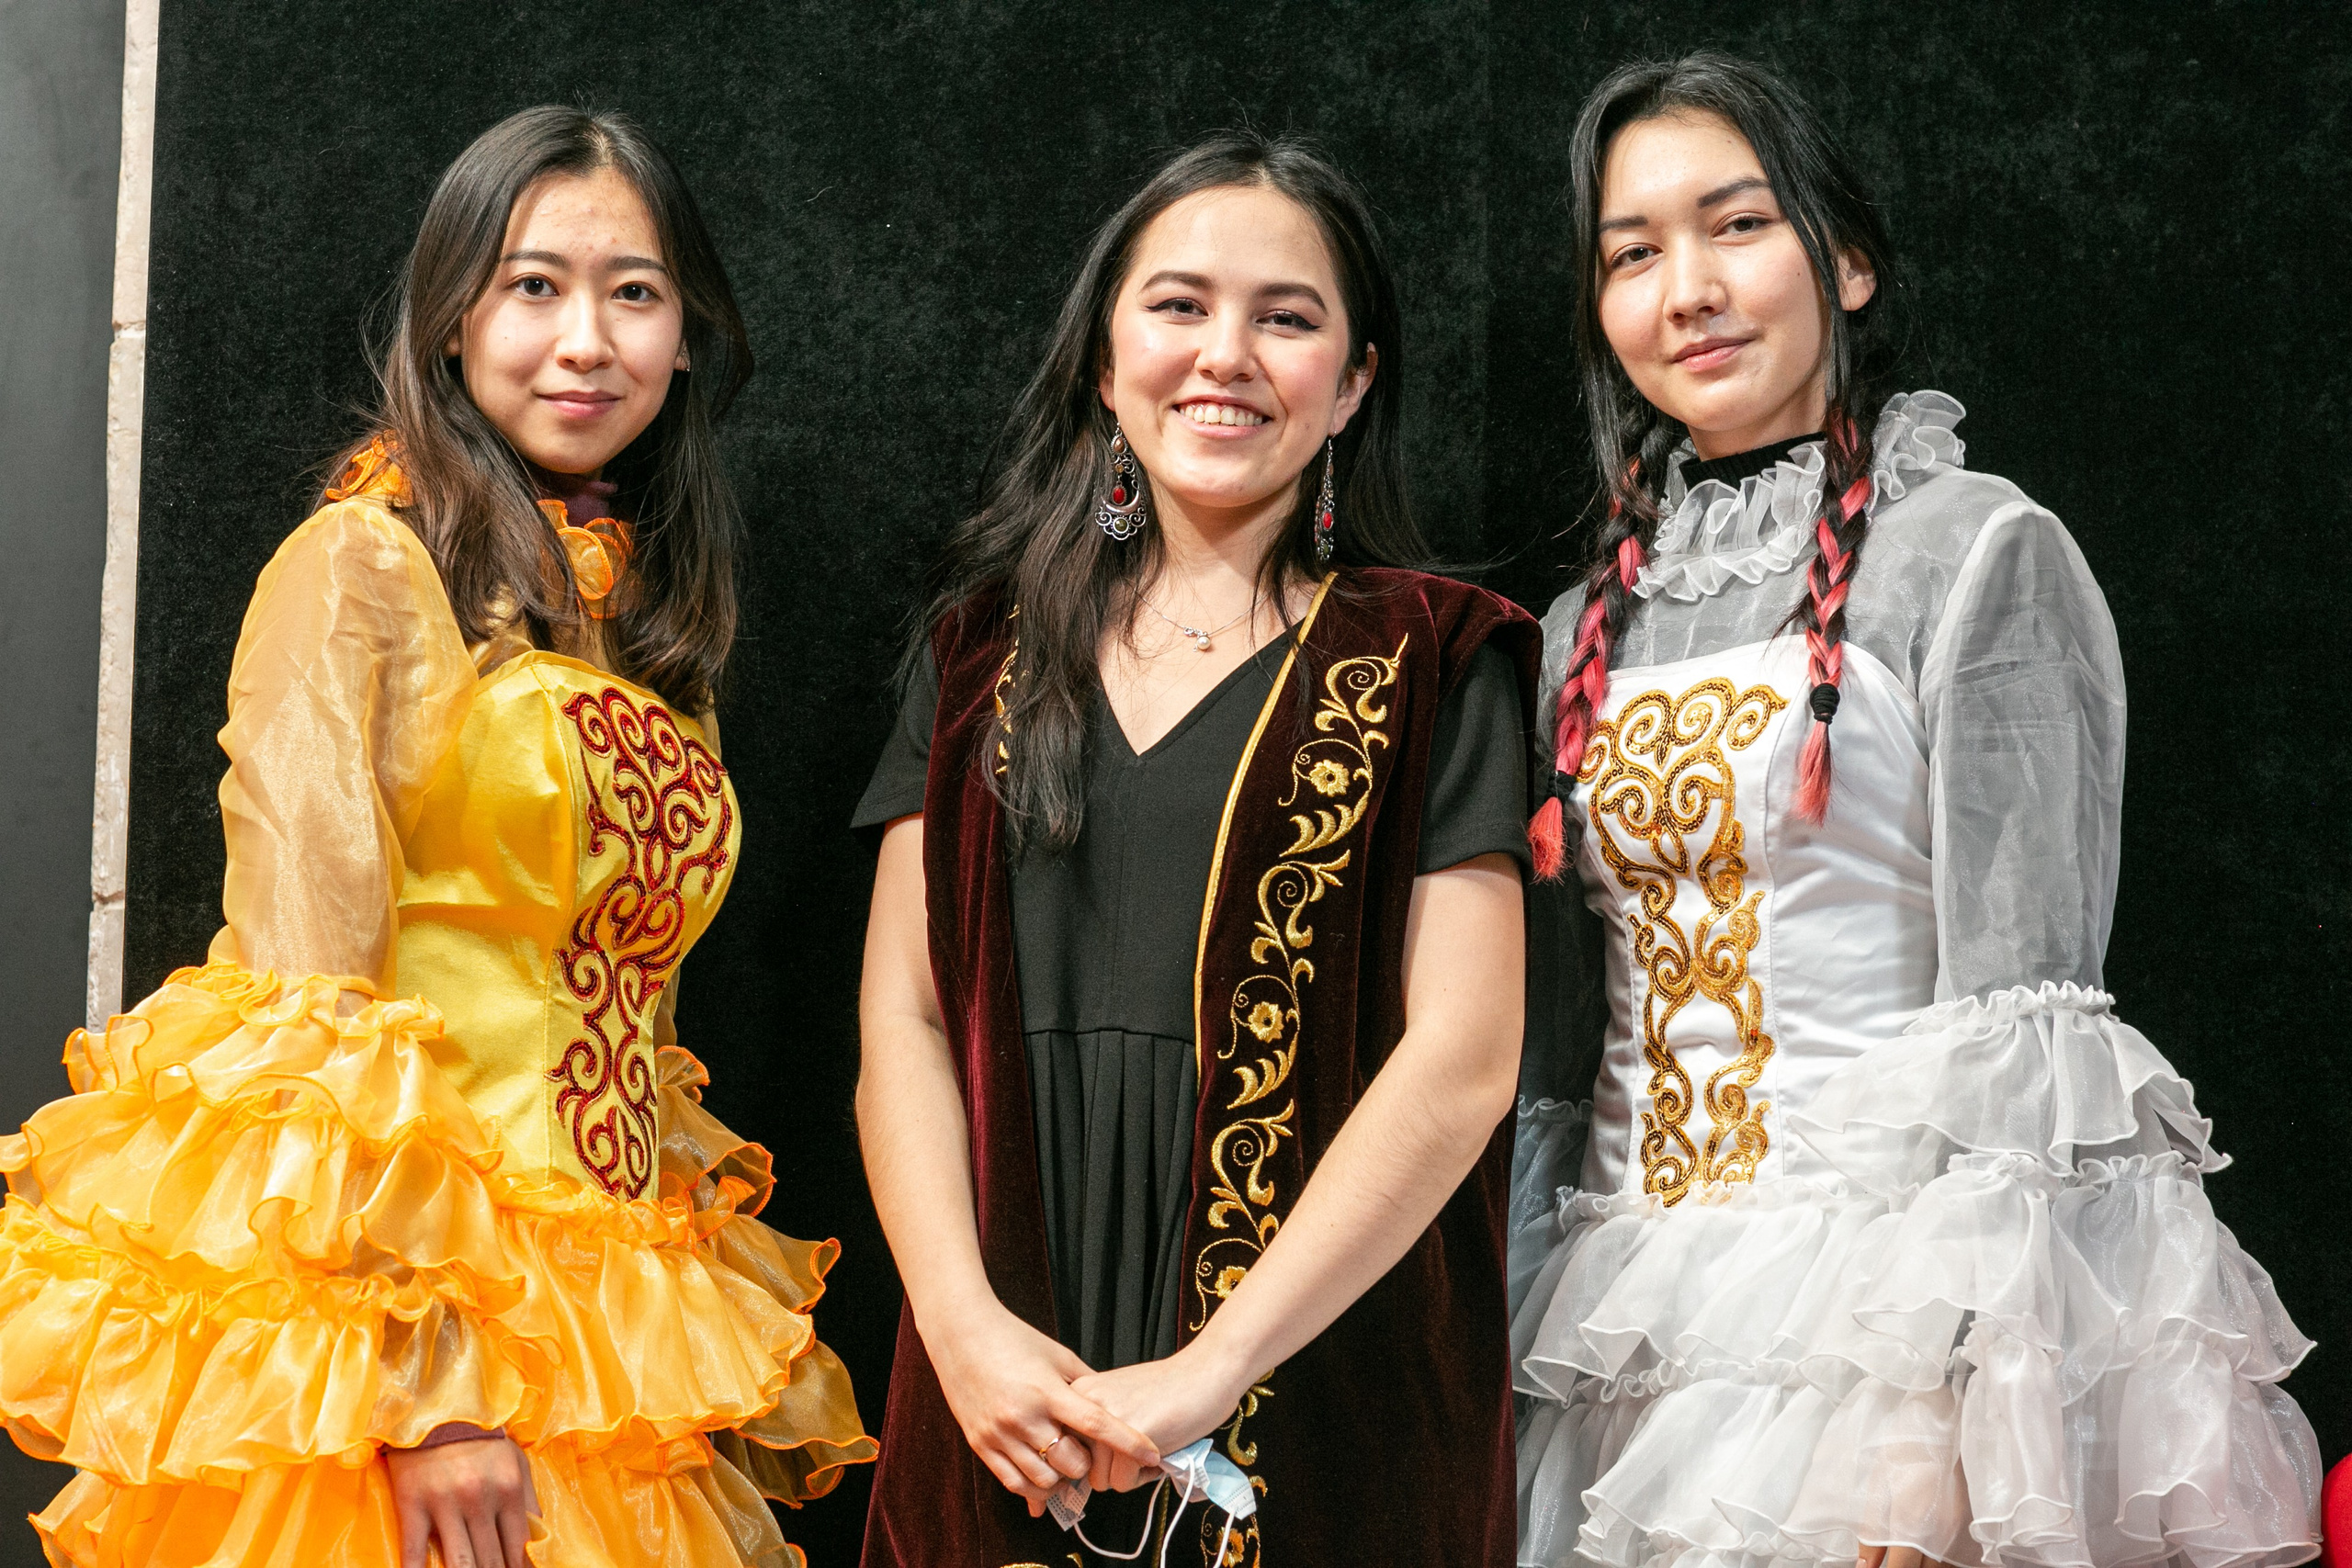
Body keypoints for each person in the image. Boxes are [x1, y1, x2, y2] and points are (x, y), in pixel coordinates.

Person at [0, 107, 873, 1568]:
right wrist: (427, 1398)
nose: (584, 340)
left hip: (593, 1323)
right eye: (533, 285)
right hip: (406, 1339)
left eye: (634, 292)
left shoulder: (647, 629)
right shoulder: (360, 565)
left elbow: (625, 1008)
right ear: (452, 317)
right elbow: (304, 1018)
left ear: (684, 334)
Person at [1508, 52, 2321, 1568]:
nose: (1688, 289)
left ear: (1851, 264)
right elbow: (1563, 1044)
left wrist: (1920, 1456)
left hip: (1870, 1347)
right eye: (1633, 254)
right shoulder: (1573, 631)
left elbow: (2024, 1031)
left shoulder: (1976, 553)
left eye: (1735, 227)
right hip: (1615, 1324)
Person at [853, 131, 1542, 1565]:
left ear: (1352, 383)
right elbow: (905, 1023)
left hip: (1317, 1372)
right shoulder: (979, 654)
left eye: (1285, 319)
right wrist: (967, 1336)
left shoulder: (1433, 656)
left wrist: (1206, 1375)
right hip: (1004, 1378)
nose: (1224, 353)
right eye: (1178, 307)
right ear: (1105, 363)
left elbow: (1465, 1060)